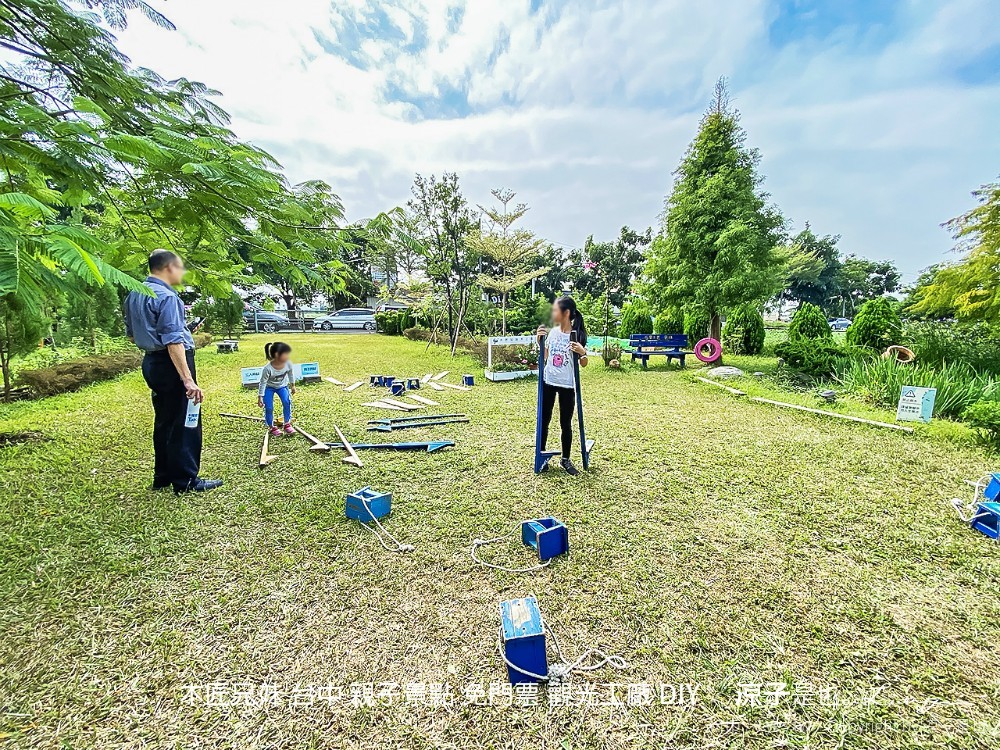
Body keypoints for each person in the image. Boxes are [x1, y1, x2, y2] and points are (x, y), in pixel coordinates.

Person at [124, 250, 223, 494]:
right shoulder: (167, 297)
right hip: (173, 365)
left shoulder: (134, 293)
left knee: (165, 420)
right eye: (179, 268)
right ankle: (186, 481)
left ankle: (163, 477)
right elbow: (173, 342)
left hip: (152, 363)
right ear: (168, 267)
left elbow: (132, 334)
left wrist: (183, 330)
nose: (182, 273)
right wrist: (188, 379)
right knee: (185, 420)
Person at [536, 296, 589, 475]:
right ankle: (541, 456)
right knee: (544, 420)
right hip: (549, 381)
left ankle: (565, 459)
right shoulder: (553, 333)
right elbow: (546, 357)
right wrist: (539, 342)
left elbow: (583, 364)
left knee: (565, 423)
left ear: (566, 313)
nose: (553, 313)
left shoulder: (577, 334)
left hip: (567, 384)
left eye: (556, 310)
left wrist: (583, 352)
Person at [258, 342, 296, 436]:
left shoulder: (288, 364)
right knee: (269, 407)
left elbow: (291, 374)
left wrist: (293, 385)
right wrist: (260, 397)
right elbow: (262, 383)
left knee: (287, 402)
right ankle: (271, 427)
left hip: (282, 386)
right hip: (269, 388)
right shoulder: (267, 369)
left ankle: (287, 424)